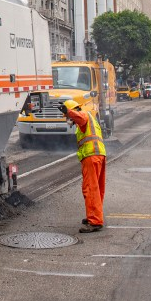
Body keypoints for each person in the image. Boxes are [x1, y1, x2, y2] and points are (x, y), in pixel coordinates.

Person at [59, 99, 106, 233]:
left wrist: (68, 112)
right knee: (97, 188)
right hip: (98, 155)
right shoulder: (88, 119)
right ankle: (95, 215)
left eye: (67, 117)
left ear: (73, 111)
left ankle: (95, 221)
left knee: (90, 188)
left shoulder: (83, 116)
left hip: (91, 156)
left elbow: (78, 117)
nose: (68, 119)